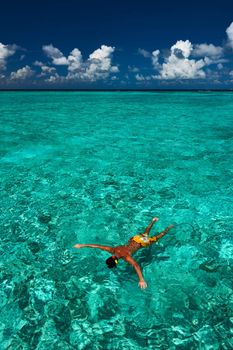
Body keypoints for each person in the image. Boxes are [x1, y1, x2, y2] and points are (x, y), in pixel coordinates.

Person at [74, 217, 174, 289]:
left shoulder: (125, 257)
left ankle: (168, 228)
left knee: (158, 237)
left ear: (116, 261)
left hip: (143, 243)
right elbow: (98, 246)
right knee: (145, 232)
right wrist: (82, 245)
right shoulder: (112, 249)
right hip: (136, 238)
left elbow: (136, 265)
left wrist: (141, 279)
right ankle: (153, 221)